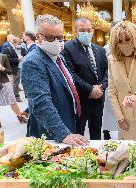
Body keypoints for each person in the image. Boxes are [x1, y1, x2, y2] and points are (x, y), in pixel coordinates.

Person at [21, 14, 89, 146]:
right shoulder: (33, 62)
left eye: (60, 37)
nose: (57, 42)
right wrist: (63, 134)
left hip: (67, 121)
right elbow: (41, 104)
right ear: (39, 36)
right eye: (51, 38)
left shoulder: (58, 56)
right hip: (49, 134)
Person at [62, 17, 108, 140]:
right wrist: (90, 90)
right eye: (82, 30)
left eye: (89, 30)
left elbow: (107, 72)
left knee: (96, 131)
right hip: (81, 98)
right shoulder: (67, 48)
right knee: (78, 132)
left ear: (92, 30)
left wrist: (101, 88)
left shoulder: (100, 49)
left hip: (98, 97)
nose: (86, 33)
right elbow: (71, 74)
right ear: (76, 31)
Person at [0, 38, 27, 132]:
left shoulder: (3, 56)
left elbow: (10, 72)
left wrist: (2, 68)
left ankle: (20, 116)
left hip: (4, 82)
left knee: (12, 101)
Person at [2, 37, 27, 102]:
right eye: (17, 44)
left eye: (20, 44)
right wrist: (17, 59)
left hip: (23, 67)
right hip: (15, 68)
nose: (19, 46)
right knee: (16, 82)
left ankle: (27, 93)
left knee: (25, 80)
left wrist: (24, 57)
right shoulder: (8, 49)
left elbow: (26, 55)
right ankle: (16, 96)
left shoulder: (22, 49)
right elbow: (6, 60)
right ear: (14, 43)